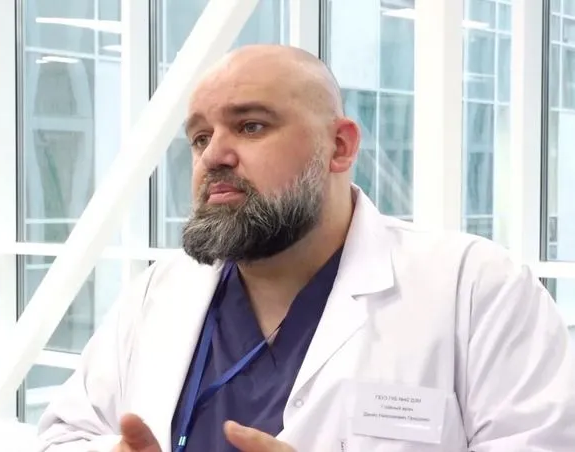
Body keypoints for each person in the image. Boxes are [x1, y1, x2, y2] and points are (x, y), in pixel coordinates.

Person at [36, 44, 575, 452]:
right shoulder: (158, 292)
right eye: (200, 137)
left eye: (250, 126)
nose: (214, 155)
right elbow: (66, 433)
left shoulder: (476, 287)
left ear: (339, 146)